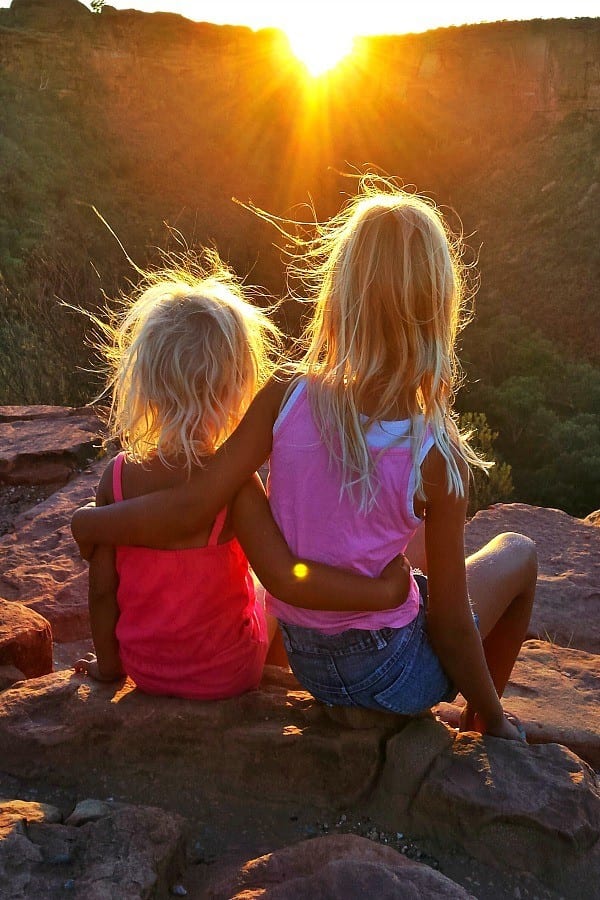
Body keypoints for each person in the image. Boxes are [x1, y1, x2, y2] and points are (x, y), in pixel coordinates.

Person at [72, 184, 537, 739]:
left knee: (402, 546)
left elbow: (194, 503)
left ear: (337, 294)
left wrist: (93, 522)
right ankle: (486, 723)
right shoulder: (435, 453)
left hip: (310, 660)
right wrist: (500, 713)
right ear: (438, 310)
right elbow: (453, 625)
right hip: (388, 678)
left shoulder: (285, 393)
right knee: (518, 553)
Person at [72, 254, 411, 699]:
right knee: (262, 593)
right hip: (225, 674)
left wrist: (110, 668)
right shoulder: (237, 489)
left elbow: (102, 590)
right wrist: (382, 591)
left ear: (147, 381)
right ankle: (296, 688)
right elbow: (286, 577)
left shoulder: (115, 480)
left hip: (145, 669)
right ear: (235, 387)